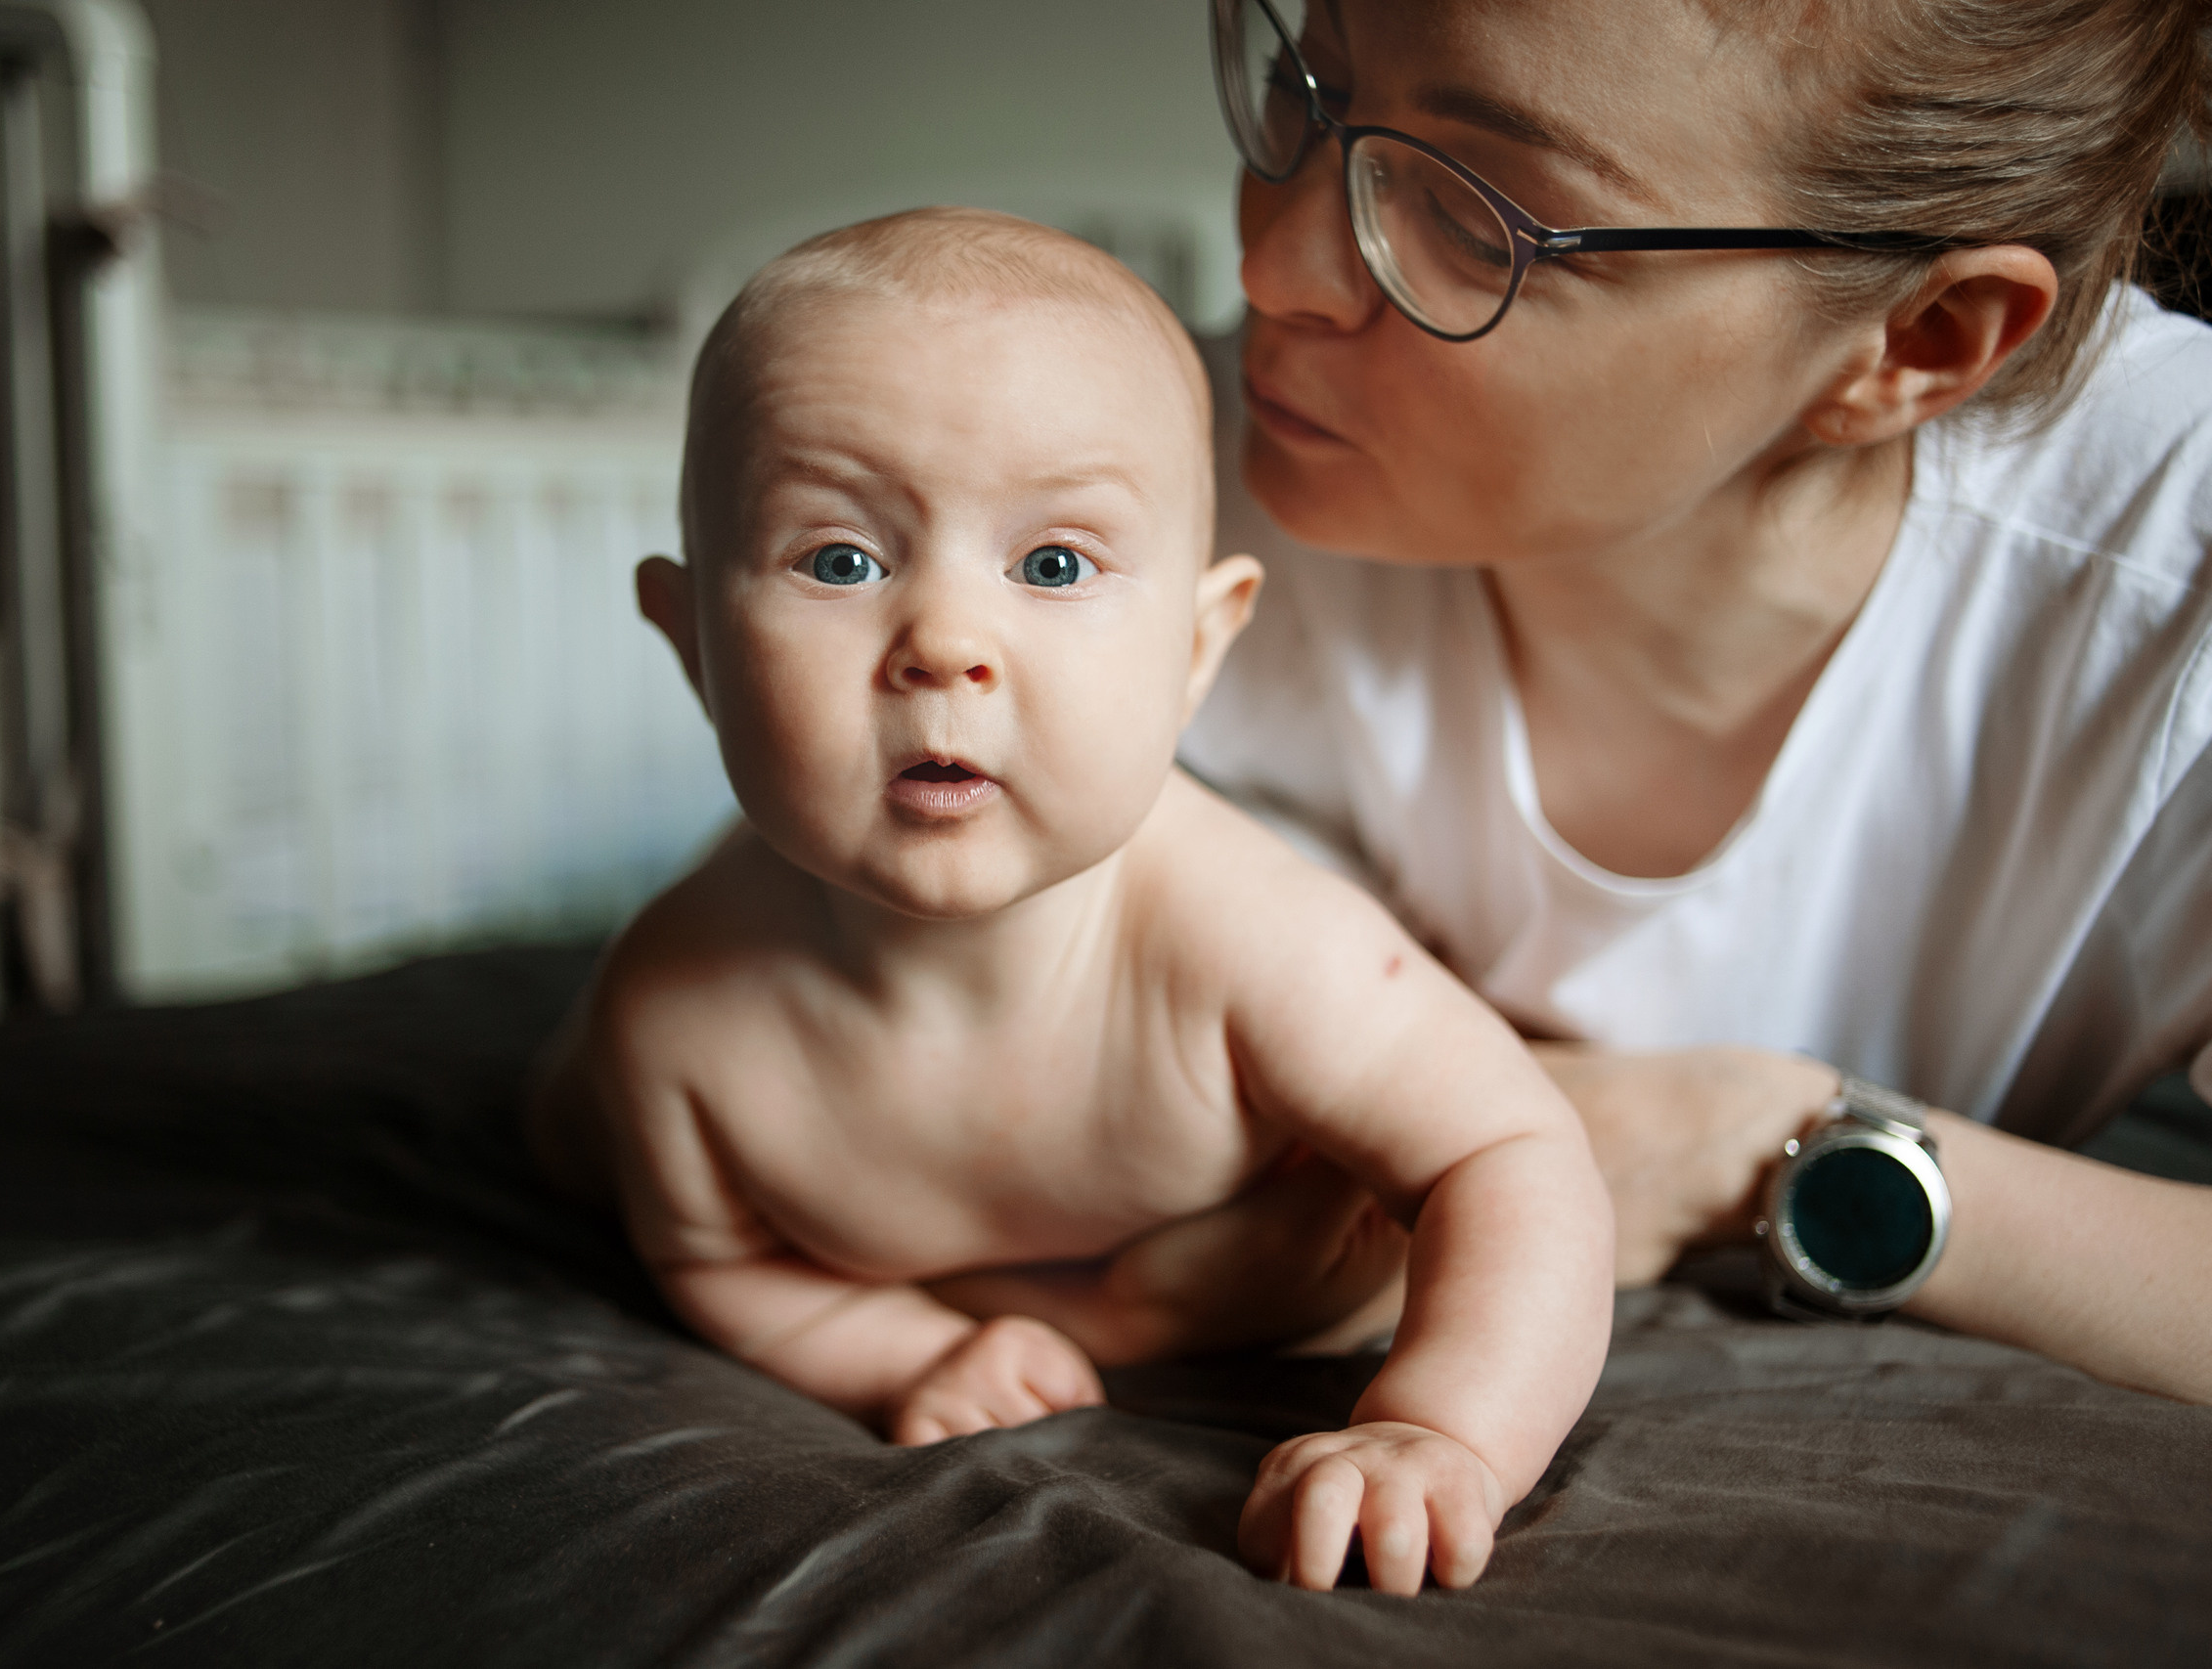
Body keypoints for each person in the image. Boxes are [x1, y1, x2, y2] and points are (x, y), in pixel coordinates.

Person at [525, 206, 1614, 1597]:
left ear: (1198, 649)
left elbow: (1515, 1154)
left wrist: (1443, 1426)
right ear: (692, 645)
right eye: (840, 560)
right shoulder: (678, 1018)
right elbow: (721, 1265)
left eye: (1052, 565)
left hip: (1278, 1215)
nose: (946, 647)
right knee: (568, 1141)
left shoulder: (1254, 940)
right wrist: (907, 1349)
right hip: (695, 1100)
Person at [1172, 0, 2212, 1399]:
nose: (1272, 263)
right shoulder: (1144, 480)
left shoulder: (2172, 573)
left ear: (1920, 340)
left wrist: (1736, 1148)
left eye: (1482, 219)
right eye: (1313, 84)